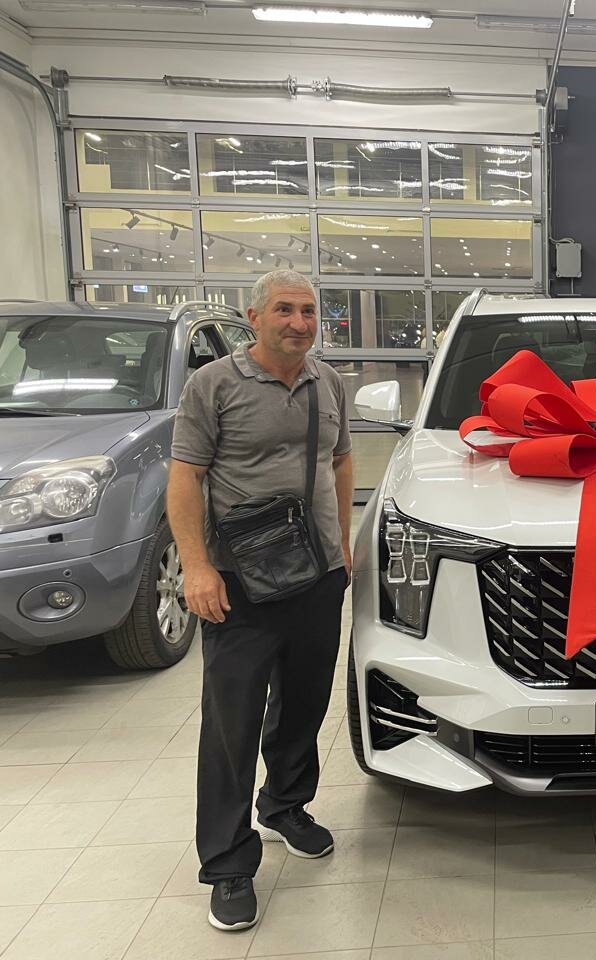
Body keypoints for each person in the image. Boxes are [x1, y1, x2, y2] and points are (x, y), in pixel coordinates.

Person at [169, 270, 354, 930]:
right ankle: (227, 862)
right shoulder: (213, 384)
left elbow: (340, 462)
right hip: (239, 582)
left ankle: (284, 805)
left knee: (304, 705)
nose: (299, 322)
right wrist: (196, 566)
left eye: (308, 311)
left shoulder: (328, 383)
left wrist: (343, 545)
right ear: (254, 317)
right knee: (232, 723)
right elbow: (185, 476)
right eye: (284, 310)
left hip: (317, 576)